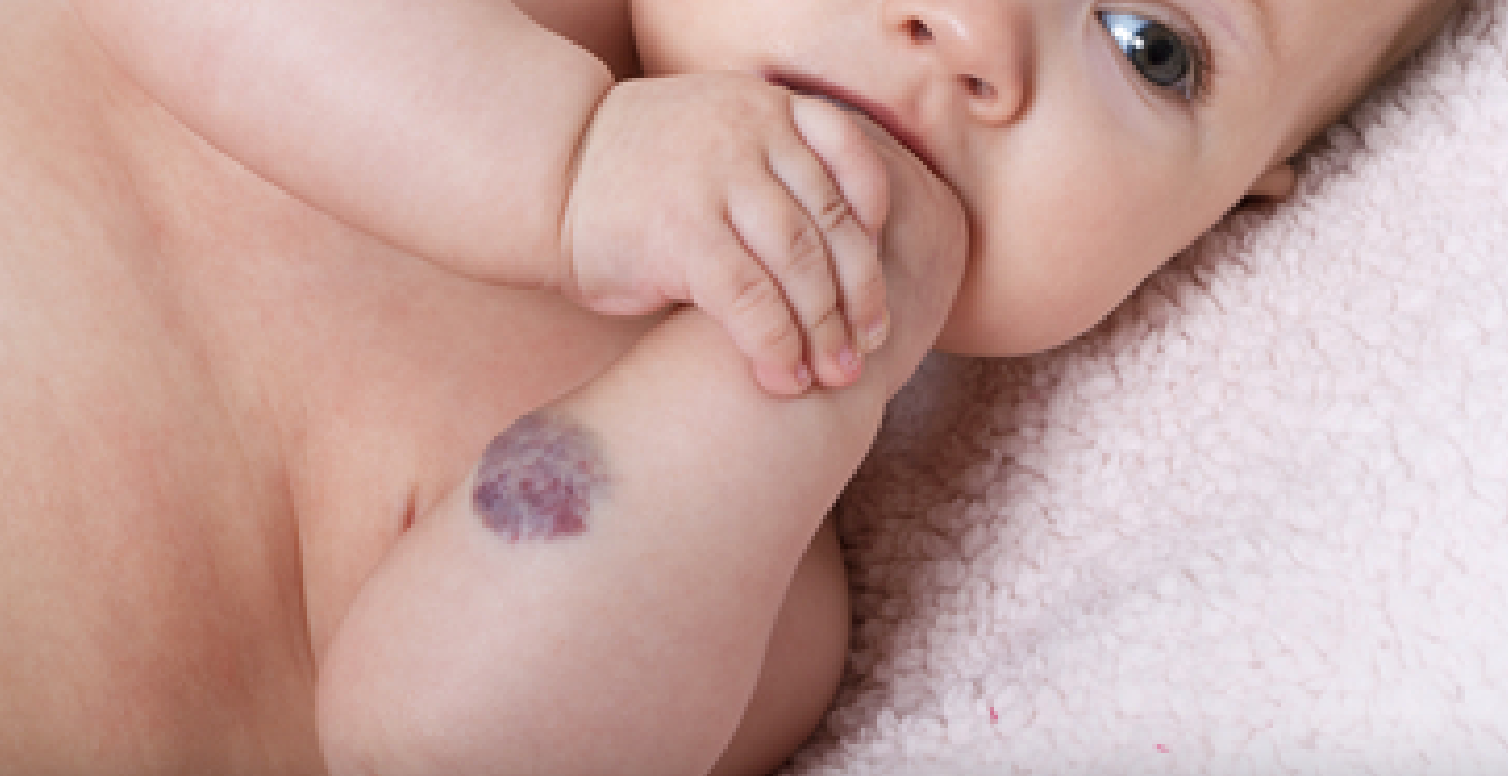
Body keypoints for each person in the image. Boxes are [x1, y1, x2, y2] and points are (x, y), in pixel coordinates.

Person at [0, 0, 1458, 773]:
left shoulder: (735, 559)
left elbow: (432, 742)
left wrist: (802, 375)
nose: (970, 31)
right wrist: (565, 166)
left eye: (1153, 46)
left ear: (1226, 215)